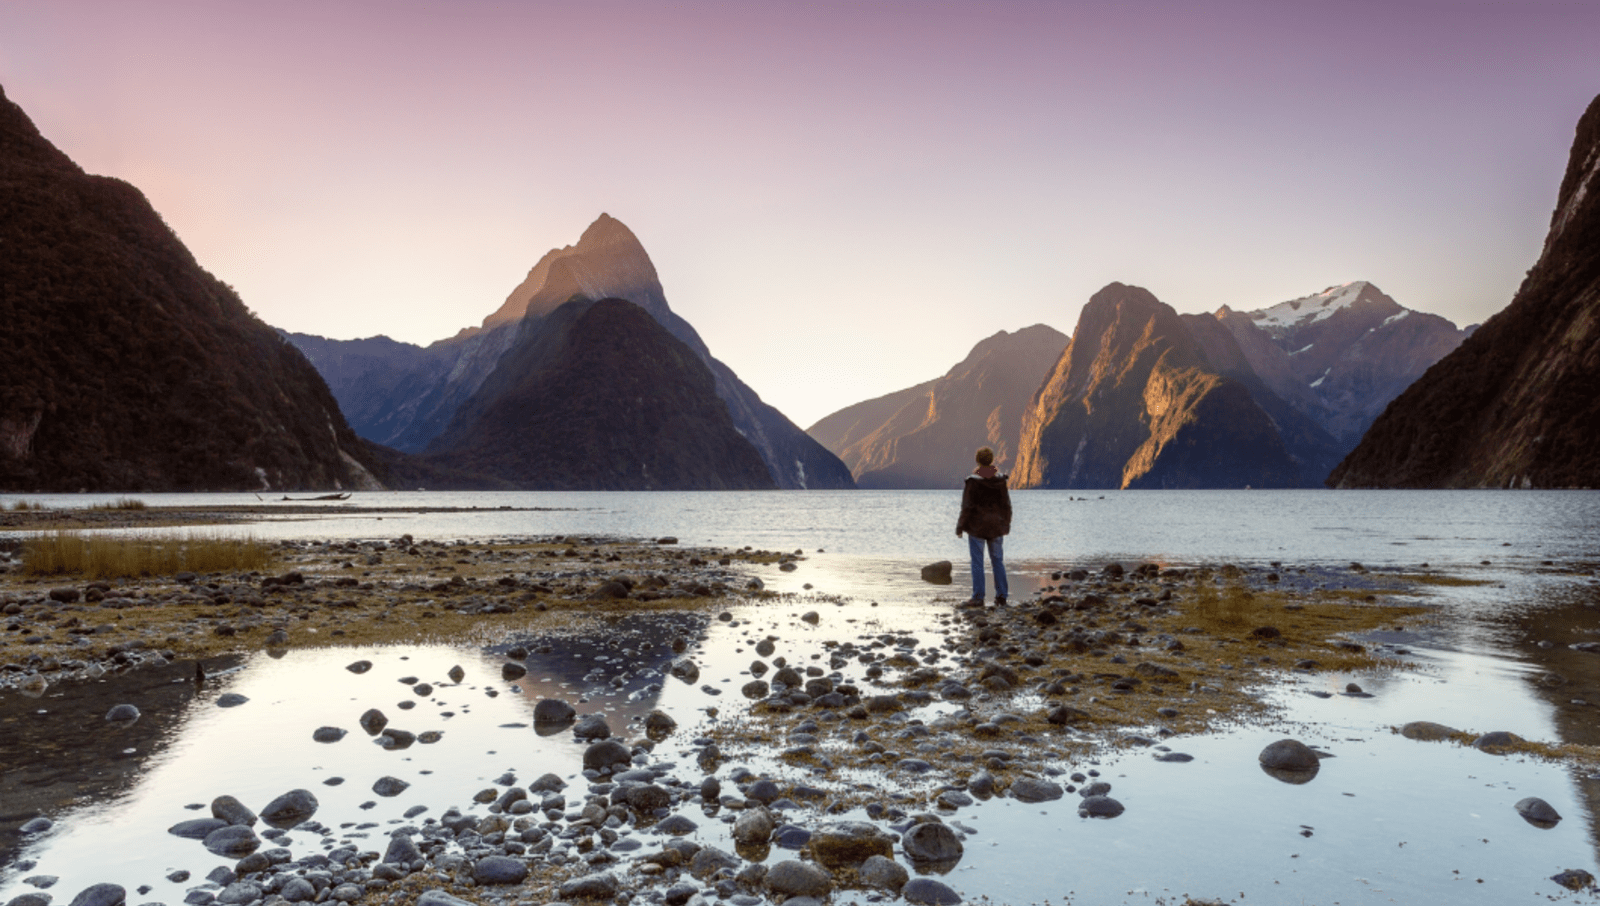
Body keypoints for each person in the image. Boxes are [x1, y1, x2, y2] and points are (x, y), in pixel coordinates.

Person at [955, 446, 1011, 606]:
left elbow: (967, 507)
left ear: (978, 461)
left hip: (977, 527)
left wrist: (960, 527)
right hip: (996, 526)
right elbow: (1006, 505)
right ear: (991, 460)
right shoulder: (1000, 481)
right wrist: (1006, 523)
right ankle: (1002, 596)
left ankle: (978, 597)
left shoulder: (973, 481)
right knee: (998, 561)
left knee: (977, 562)